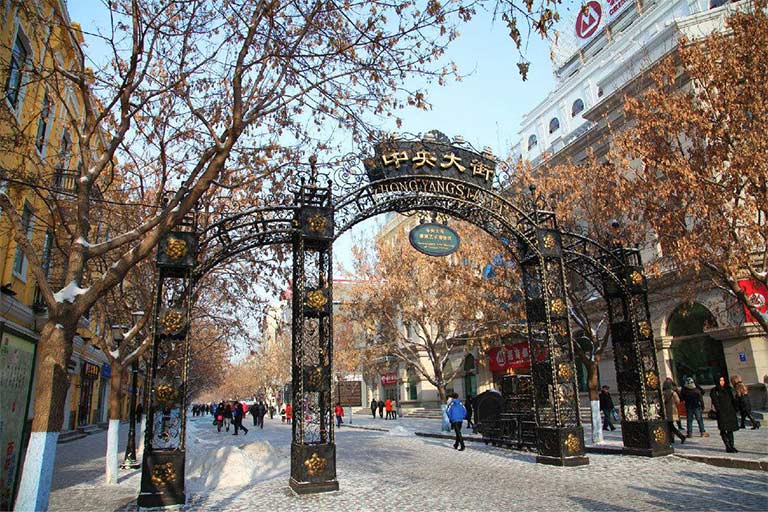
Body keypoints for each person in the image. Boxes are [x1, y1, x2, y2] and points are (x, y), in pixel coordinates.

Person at [710, 375, 739, 453]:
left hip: (730, 411)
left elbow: (732, 399)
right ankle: (727, 446)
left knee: (730, 429)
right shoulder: (714, 391)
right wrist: (719, 410)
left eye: (723, 380)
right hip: (721, 413)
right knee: (723, 429)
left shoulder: (728, 389)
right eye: (720, 380)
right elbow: (715, 402)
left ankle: (732, 445)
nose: (722, 382)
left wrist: (735, 408)